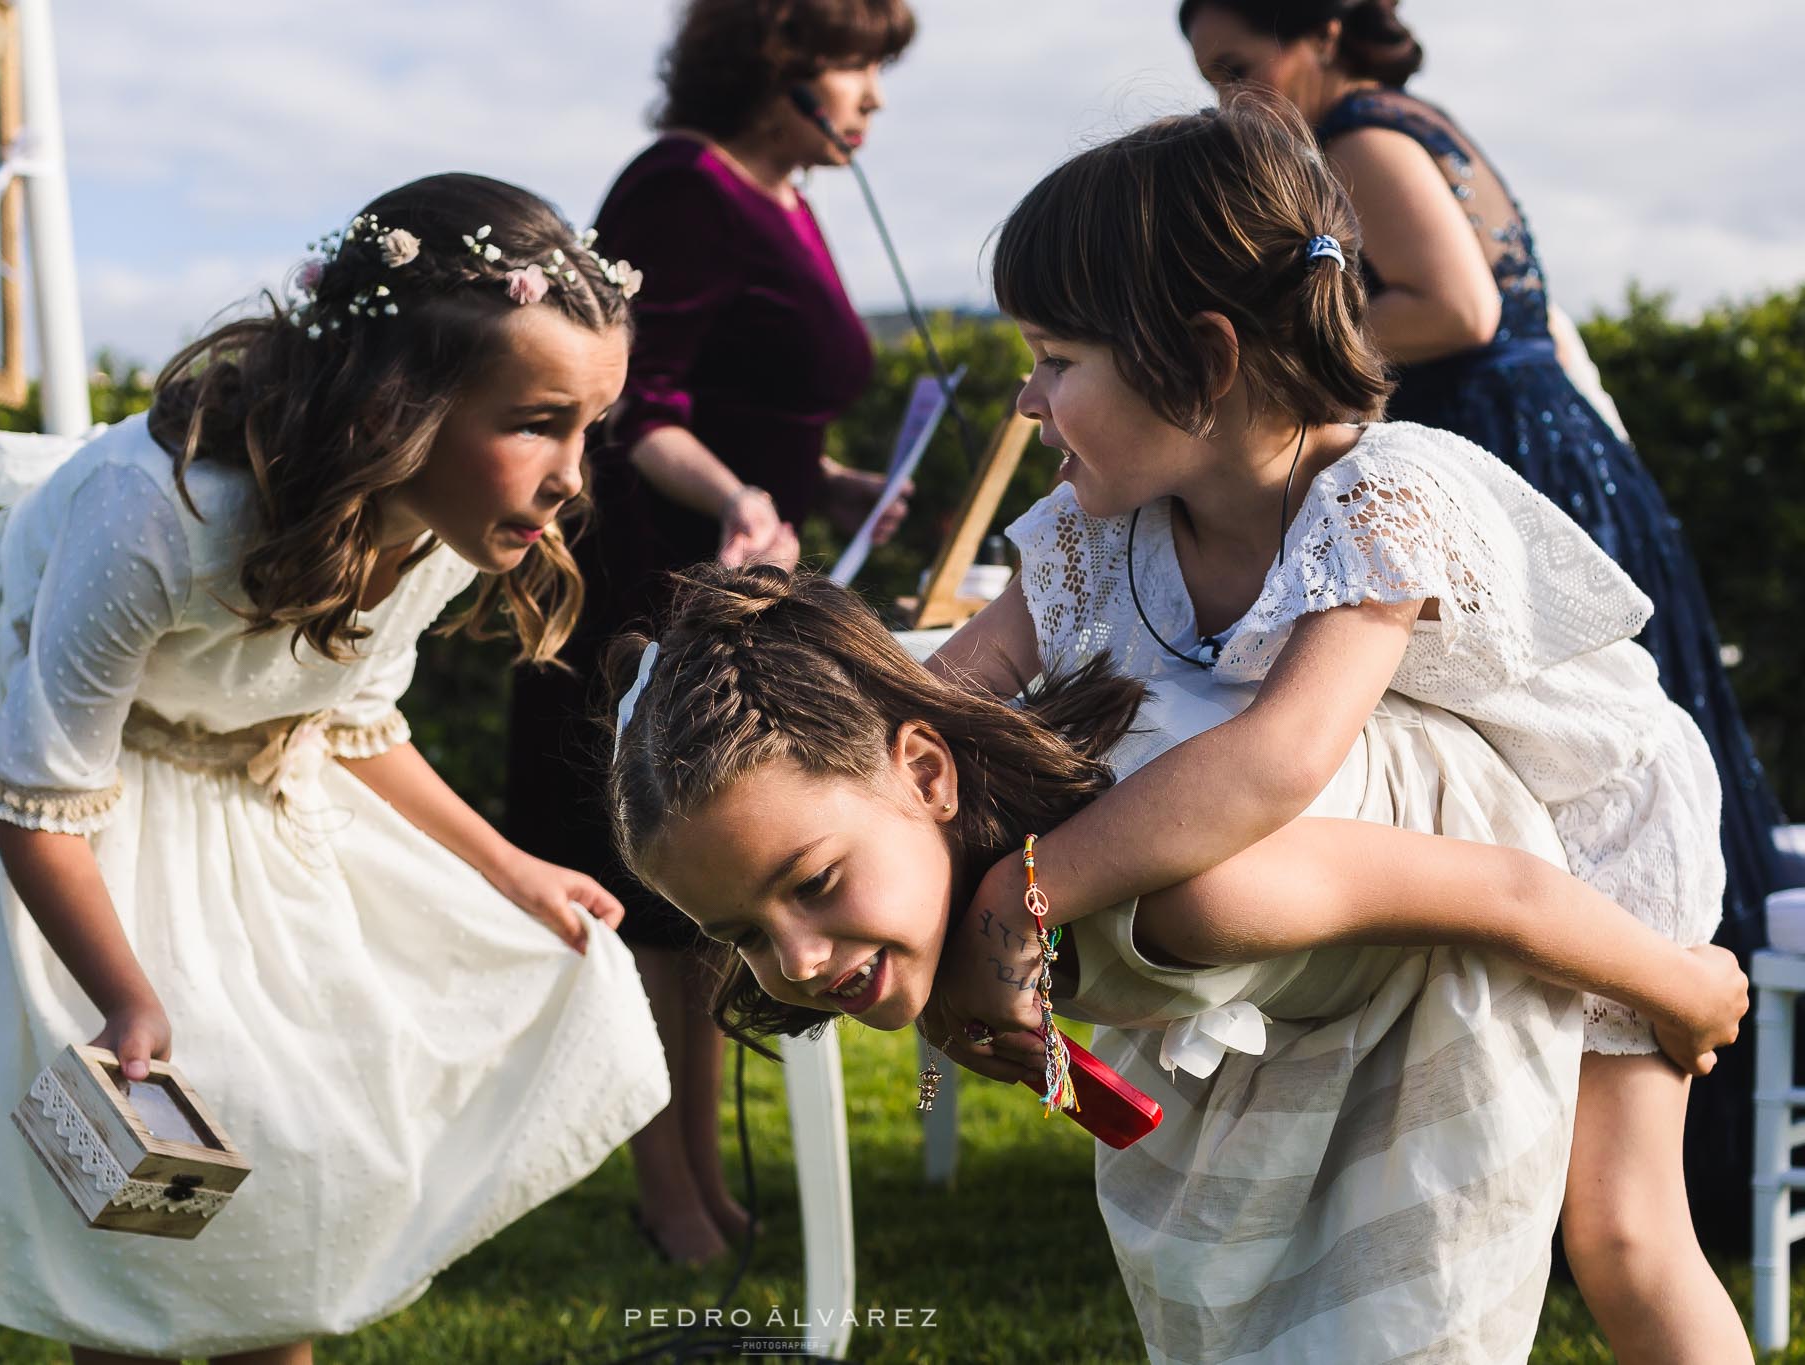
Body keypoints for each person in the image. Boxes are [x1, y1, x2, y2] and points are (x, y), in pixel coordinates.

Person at [924, 98, 1750, 1362]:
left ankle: (1685, 986)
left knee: (1624, 1233)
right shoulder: (1100, 528)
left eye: (1055, 357)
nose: (1029, 399)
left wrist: (1016, 899)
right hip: (1409, 864)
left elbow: (1278, 758)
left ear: (1199, 362)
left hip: (1589, 833)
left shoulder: (1383, 492)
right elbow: (944, 702)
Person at [0, 174, 669, 1364]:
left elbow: (351, 719)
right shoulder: (156, 518)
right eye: (534, 422)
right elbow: (42, 798)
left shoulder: (438, 528)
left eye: (589, 428)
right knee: (141, 1219)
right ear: (395, 405)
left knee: (290, 1146)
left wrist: (516, 870)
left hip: (252, 793)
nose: (573, 474)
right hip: (72, 805)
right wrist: (128, 998)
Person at [605, 564, 1746, 1363]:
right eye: (742, 933)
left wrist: (1674, 983)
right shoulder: (945, 906)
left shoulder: (1194, 890)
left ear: (929, 778)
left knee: (1617, 1236)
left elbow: (1500, 895)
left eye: (811, 884)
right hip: (1330, 958)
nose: (796, 959)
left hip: (1542, 849)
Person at [1177, 0, 1788, 953]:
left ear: (1321, 34)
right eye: (1213, 79)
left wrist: (1274, 353)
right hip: (1540, 435)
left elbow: (1459, 307)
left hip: (1511, 444)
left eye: (1237, 66)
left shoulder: (1359, 136)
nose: (1232, 102)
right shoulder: (1394, 123)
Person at [505, 0, 915, 1266]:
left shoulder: (787, 199)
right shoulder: (682, 185)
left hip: (729, 579)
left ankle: (695, 1179)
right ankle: (669, 1188)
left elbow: (756, 393)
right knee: (647, 904)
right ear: (778, 66)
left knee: (696, 928)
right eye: (856, 67)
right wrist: (737, 497)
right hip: (643, 587)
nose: (873, 98)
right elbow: (636, 406)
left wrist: (829, 481)